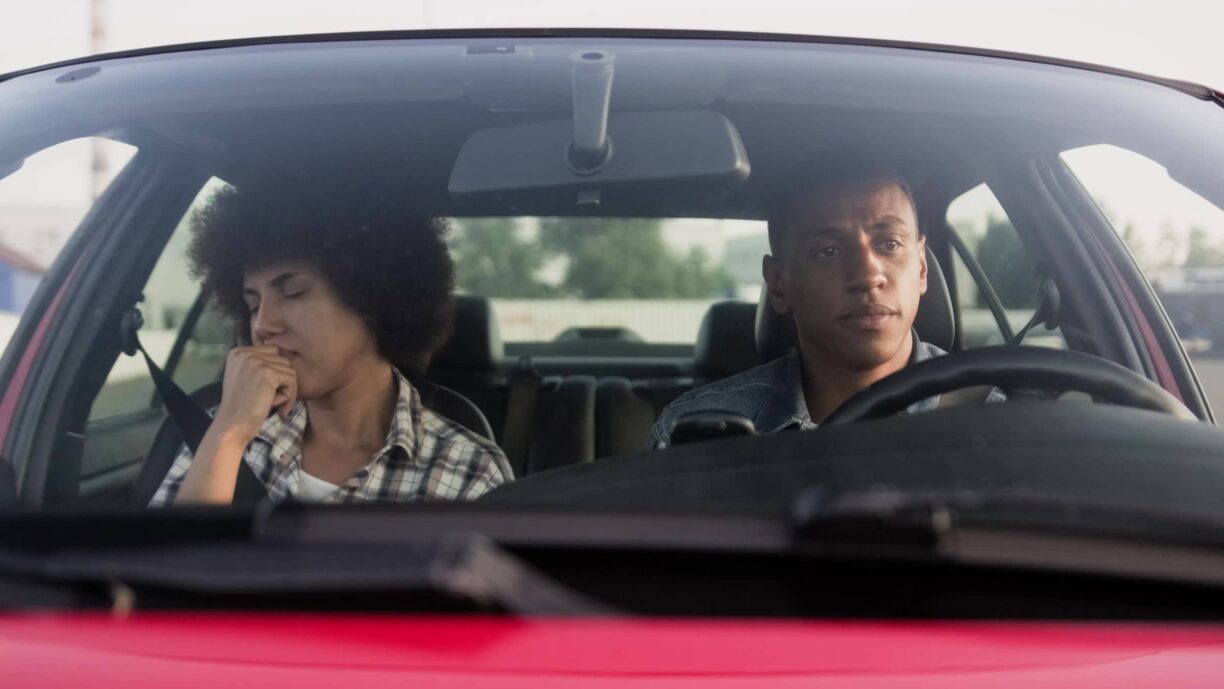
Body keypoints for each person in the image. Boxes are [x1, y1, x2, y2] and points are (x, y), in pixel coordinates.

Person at [150, 184, 511, 506]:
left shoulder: (467, 469)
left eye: (293, 293)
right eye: (253, 304)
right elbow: (159, 573)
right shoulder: (222, 431)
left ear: (372, 298)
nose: (262, 325)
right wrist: (228, 437)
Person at [649, 160, 1000, 447]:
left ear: (921, 267)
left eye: (890, 244)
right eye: (828, 251)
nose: (867, 274)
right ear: (778, 284)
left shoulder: (1003, 418)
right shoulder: (696, 436)